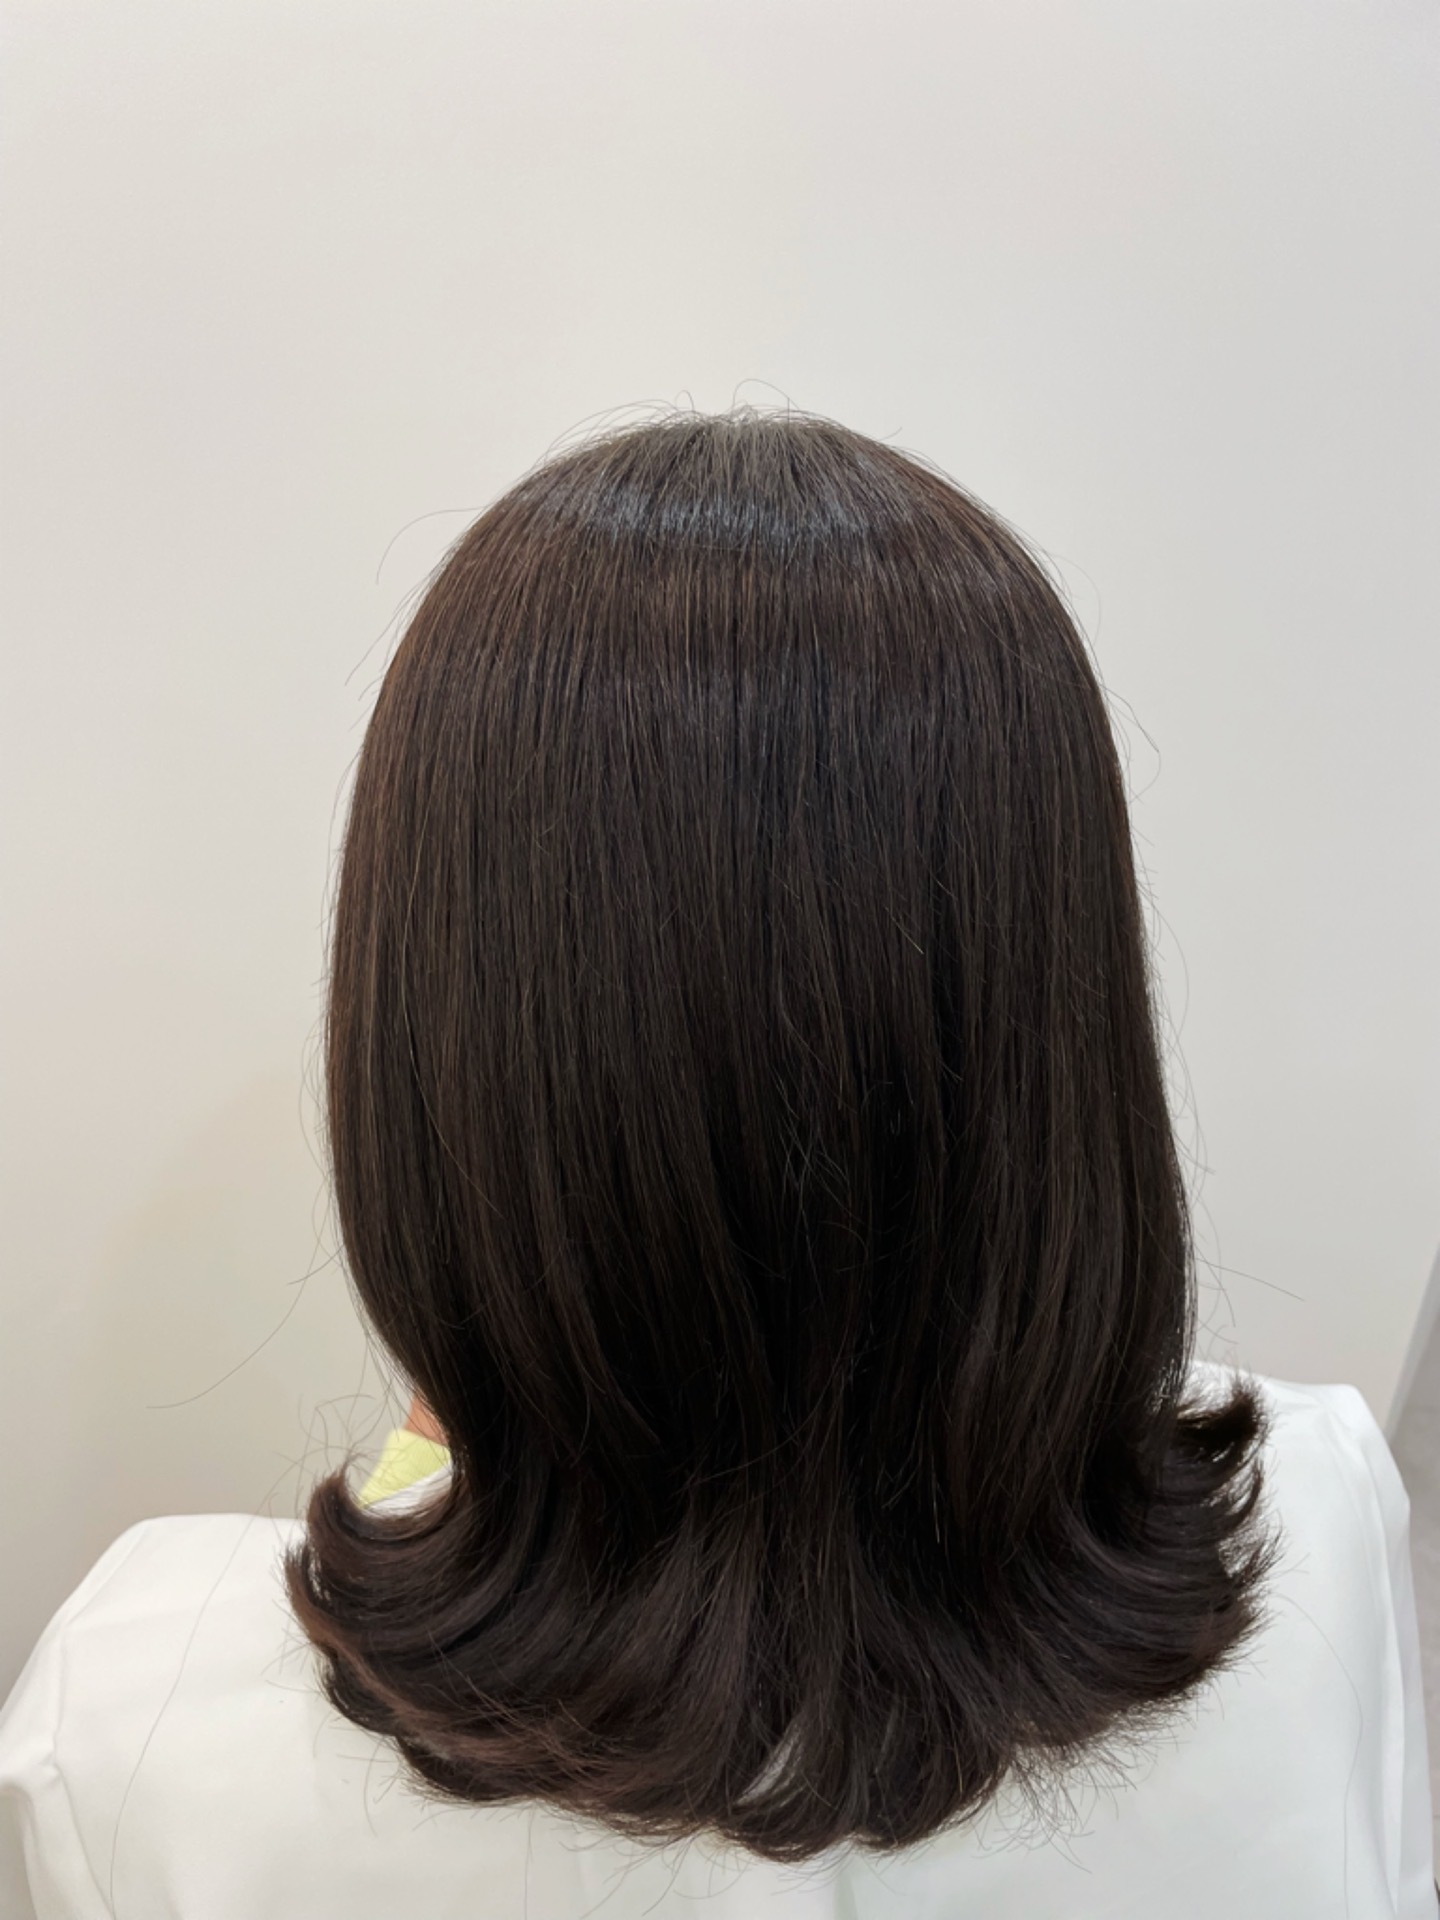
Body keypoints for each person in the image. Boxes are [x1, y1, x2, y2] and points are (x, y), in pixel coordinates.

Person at [0, 409, 1433, 1917]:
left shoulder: (135, 1735)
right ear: (1059, 1047)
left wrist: (494, 1413)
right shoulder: (1324, 1530)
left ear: (432, 1060)